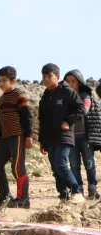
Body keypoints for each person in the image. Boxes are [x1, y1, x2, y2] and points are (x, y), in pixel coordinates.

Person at [38, 63, 85, 203]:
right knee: (55, 167)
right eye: (44, 76)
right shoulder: (45, 98)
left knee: (61, 163)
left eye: (49, 76)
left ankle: (77, 191)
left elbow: (81, 109)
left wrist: (68, 121)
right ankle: (63, 195)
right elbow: (42, 121)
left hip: (64, 136)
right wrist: (42, 140)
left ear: (57, 77)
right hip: (50, 138)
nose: (46, 79)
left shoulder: (67, 92)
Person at [0, 66, 33, 208]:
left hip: (18, 136)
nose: (0, 83)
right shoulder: (2, 99)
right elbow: (0, 122)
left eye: (4, 80)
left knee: (17, 167)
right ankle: (5, 196)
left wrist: (28, 136)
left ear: (12, 81)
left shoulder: (19, 95)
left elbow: (27, 117)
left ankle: (23, 199)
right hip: (5, 138)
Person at [64, 70, 101, 199]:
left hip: (85, 137)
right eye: (68, 81)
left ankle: (92, 189)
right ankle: (78, 190)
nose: (70, 83)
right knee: (74, 165)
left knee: (89, 163)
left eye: (73, 81)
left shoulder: (85, 95)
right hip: (70, 138)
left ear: (79, 82)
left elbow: (84, 110)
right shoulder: (64, 97)